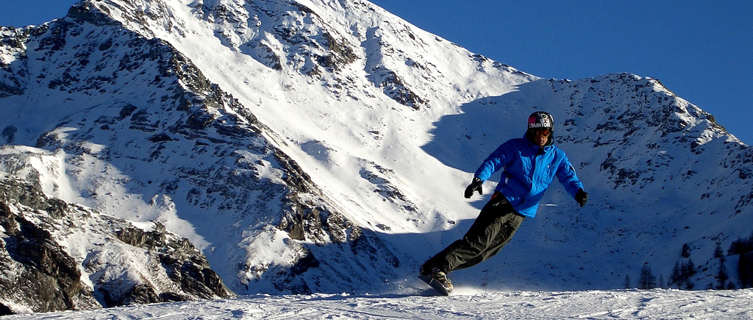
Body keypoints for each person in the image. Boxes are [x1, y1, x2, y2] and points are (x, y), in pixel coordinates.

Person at [419, 111, 588, 294]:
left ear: (551, 132)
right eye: (537, 132)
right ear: (530, 132)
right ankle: (437, 268)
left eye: (545, 132)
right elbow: (493, 161)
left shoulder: (557, 156)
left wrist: (577, 191)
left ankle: (435, 269)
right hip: (504, 202)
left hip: (522, 212)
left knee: (487, 252)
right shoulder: (516, 147)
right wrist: (479, 179)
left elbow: (568, 177)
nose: (541, 137)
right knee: (477, 242)